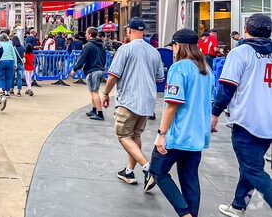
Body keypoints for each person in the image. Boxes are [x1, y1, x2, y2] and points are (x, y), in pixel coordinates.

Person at [211, 13, 272, 217]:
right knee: (251, 165)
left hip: (247, 119)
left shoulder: (240, 53)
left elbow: (227, 87)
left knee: (253, 168)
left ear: (246, 29)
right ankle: (238, 205)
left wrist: (215, 113)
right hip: (268, 120)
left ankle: (239, 205)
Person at [150, 29, 213, 217]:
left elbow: (172, 105)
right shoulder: (206, 69)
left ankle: (184, 213)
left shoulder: (179, 68)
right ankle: (192, 214)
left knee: (158, 170)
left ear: (178, 45)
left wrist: (162, 133)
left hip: (178, 133)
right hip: (198, 134)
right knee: (189, 177)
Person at [101, 17, 164, 190]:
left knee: (123, 135)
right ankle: (129, 171)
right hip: (147, 102)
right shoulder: (154, 52)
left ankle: (147, 168)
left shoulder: (125, 49)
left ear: (130, 30)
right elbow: (160, 78)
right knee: (135, 135)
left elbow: (114, 75)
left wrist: (106, 93)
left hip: (129, 100)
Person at [72, 27, 107, 121]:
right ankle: (94, 109)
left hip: (92, 70)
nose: (85, 35)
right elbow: (104, 58)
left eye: (87, 33)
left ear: (90, 34)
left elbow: (82, 58)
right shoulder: (102, 45)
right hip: (100, 69)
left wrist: (75, 69)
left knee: (94, 92)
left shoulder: (89, 45)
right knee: (94, 91)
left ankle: (99, 113)